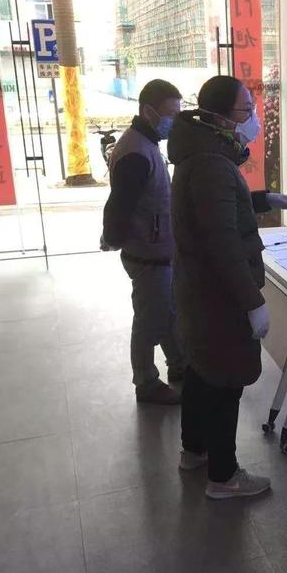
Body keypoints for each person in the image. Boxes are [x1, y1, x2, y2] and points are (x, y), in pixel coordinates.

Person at [168, 75, 287, 500]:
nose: (254, 118)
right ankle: (224, 476)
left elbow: (219, 208)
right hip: (219, 296)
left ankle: (194, 450)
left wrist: (265, 199)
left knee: (201, 372)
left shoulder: (204, 154)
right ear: (221, 117)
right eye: (247, 109)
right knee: (225, 381)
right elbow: (222, 240)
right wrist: (252, 301)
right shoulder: (211, 164)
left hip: (201, 290)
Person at [102, 79, 185, 406]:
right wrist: (113, 238)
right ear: (149, 112)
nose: (174, 122)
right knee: (150, 319)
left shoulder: (146, 143)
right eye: (171, 114)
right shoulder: (136, 151)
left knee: (167, 312)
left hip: (158, 250)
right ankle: (146, 382)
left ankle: (179, 364)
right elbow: (119, 204)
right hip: (147, 254)